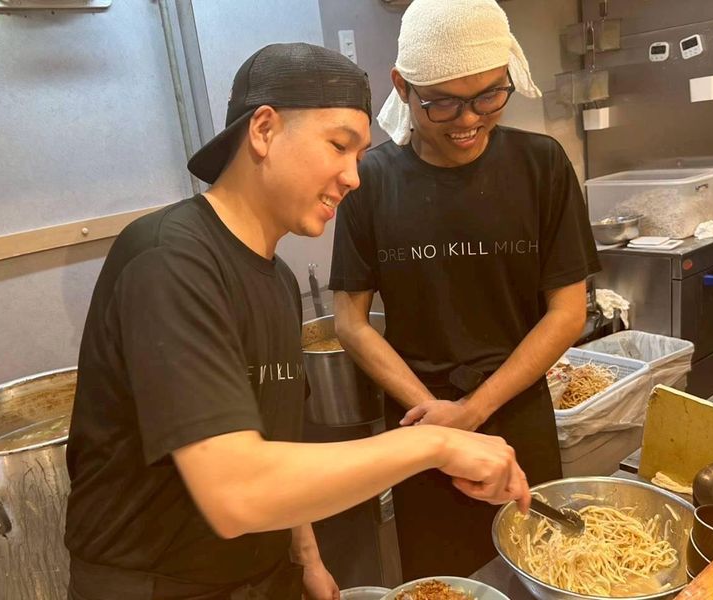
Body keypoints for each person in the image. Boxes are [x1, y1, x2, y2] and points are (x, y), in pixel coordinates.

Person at [64, 42, 531, 600]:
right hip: (156, 584)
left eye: (360, 155)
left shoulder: (277, 279)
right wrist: (435, 443)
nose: (354, 177)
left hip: (261, 575)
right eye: (339, 145)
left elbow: (275, 437)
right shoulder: (170, 259)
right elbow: (236, 492)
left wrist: (305, 553)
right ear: (263, 130)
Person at [330, 0, 601, 579]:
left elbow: (567, 312)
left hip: (515, 407)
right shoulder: (370, 181)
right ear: (402, 87)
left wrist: (473, 411)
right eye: (444, 102)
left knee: (540, 570)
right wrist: (438, 423)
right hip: (419, 419)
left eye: (488, 96)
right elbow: (350, 321)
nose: (468, 120)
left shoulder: (541, 165)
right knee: (440, 581)